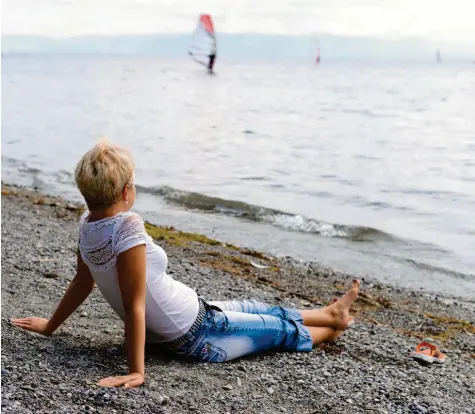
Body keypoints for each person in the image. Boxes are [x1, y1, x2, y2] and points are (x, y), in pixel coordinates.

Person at [11, 141, 360, 388]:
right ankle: (333, 326)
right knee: (279, 332)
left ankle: (331, 313)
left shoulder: (88, 224)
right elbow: (135, 305)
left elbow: (82, 283)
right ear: (126, 192)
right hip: (198, 333)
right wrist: (136, 371)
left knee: (260, 309)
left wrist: (51, 326)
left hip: (195, 314)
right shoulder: (128, 227)